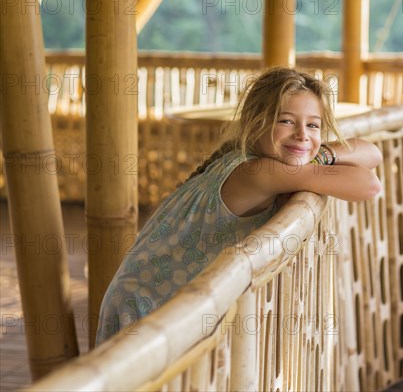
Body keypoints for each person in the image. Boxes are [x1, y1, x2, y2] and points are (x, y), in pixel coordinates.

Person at [95, 67, 382, 345]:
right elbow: (368, 184)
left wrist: (323, 154)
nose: (302, 135)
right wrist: (318, 161)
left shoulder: (248, 160)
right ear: (255, 122)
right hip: (145, 309)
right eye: (285, 121)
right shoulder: (256, 172)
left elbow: (372, 152)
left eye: (313, 125)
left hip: (155, 302)